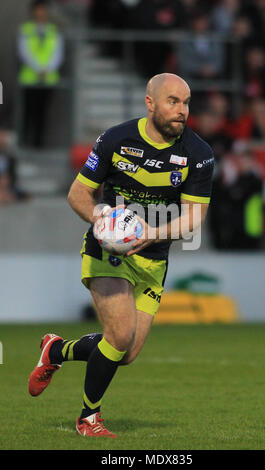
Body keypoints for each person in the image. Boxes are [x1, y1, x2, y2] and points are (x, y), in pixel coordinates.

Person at [28, 73, 214, 438]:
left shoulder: (198, 154)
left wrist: (152, 234)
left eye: (186, 102)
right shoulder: (117, 139)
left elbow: (194, 217)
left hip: (154, 258)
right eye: (172, 101)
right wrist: (105, 219)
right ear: (150, 103)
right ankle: (88, 418)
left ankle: (55, 351)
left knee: (125, 351)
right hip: (107, 251)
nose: (182, 111)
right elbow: (78, 194)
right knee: (120, 333)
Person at [18, 0, 64, 148]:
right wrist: (39, 68)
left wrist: (47, 69)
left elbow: (58, 53)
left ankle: (39, 144)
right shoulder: (26, 29)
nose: (41, 13)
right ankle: (25, 142)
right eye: (38, 10)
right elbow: (24, 51)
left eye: (43, 10)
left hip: (48, 79)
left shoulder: (53, 30)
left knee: (42, 112)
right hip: (30, 78)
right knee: (28, 111)